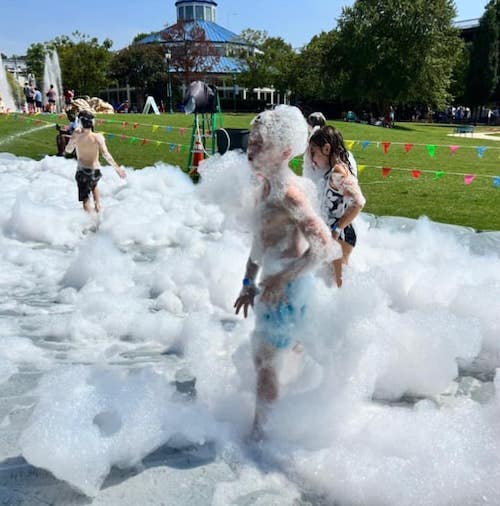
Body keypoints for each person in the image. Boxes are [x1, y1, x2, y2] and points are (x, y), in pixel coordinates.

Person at [233, 105, 337, 440]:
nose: (251, 150)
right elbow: (259, 243)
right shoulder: (266, 189)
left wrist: (280, 278)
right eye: (251, 141)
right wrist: (249, 282)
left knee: (265, 364)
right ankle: (288, 420)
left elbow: (324, 246)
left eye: (260, 144)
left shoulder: (290, 193)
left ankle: (261, 436)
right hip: (276, 286)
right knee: (277, 358)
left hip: (286, 289)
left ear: (286, 151)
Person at [308, 125, 366, 288]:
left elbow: (359, 202)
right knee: (332, 280)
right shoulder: (333, 171)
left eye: (314, 152)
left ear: (326, 148)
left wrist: (337, 228)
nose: (312, 159)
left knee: (338, 283)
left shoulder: (338, 171)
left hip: (341, 236)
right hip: (337, 235)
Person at [65, 110, 126, 213]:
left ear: (80, 122)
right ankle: (98, 210)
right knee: (94, 187)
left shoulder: (76, 134)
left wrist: (73, 140)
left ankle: (91, 221)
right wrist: (117, 169)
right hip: (95, 170)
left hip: (82, 171)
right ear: (92, 123)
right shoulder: (98, 137)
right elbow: (106, 155)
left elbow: (68, 150)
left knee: (85, 201)